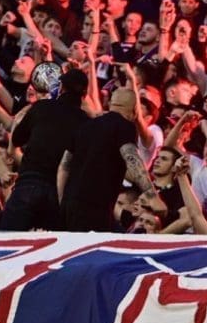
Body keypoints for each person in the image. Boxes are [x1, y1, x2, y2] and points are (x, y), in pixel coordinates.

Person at [59, 87, 164, 232]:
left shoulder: (85, 126)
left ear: (111, 104)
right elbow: (132, 158)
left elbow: (64, 167)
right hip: (95, 207)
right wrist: (152, 195)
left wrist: (62, 200)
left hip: (69, 205)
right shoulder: (124, 125)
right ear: (134, 111)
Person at [0, 68, 90, 230]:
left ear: (60, 87)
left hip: (28, 185)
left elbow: (17, 139)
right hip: (58, 194)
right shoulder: (86, 122)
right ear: (84, 94)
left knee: (9, 239)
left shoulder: (42, 107)